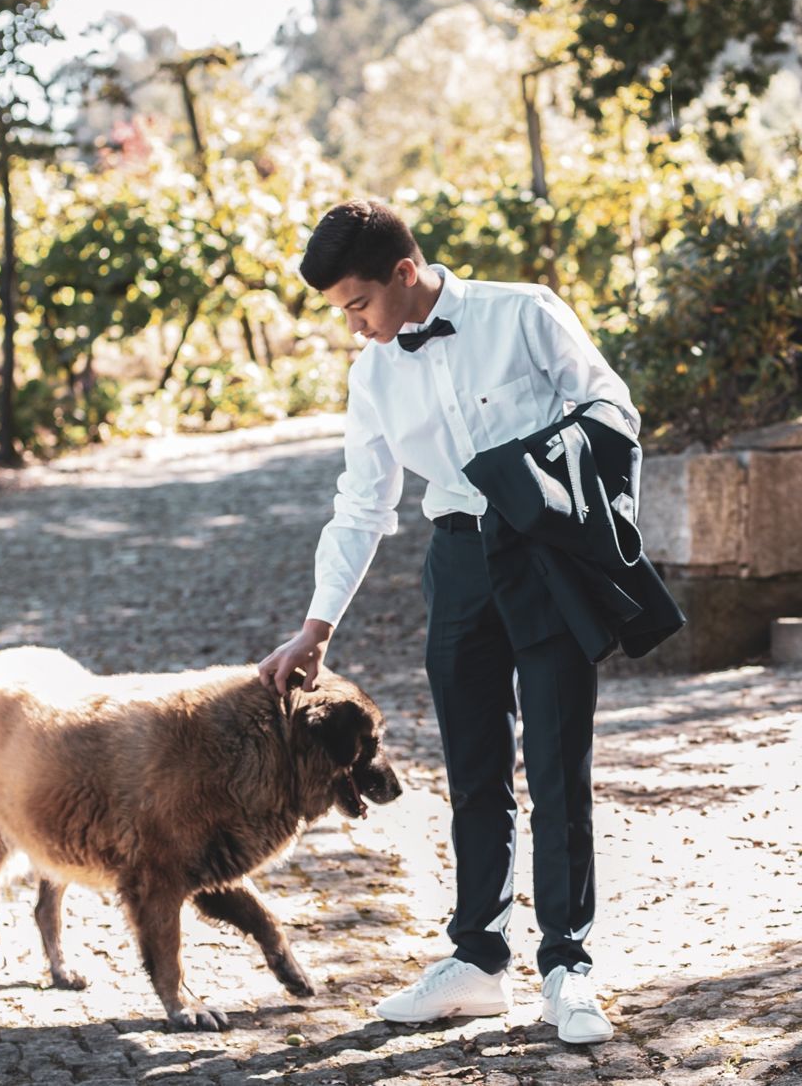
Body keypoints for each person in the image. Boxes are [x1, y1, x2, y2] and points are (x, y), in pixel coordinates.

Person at [258, 198, 630, 1045]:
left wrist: (558, 500)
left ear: (403, 271)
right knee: (473, 765)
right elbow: (361, 507)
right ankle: (477, 960)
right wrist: (315, 628)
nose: (355, 327)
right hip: (457, 562)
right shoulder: (373, 374)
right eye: (341, 314)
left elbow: (612, 412)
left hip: (545, 553)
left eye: (359, 305)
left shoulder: (523, 313)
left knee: (558, 759)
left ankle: (568, 964)